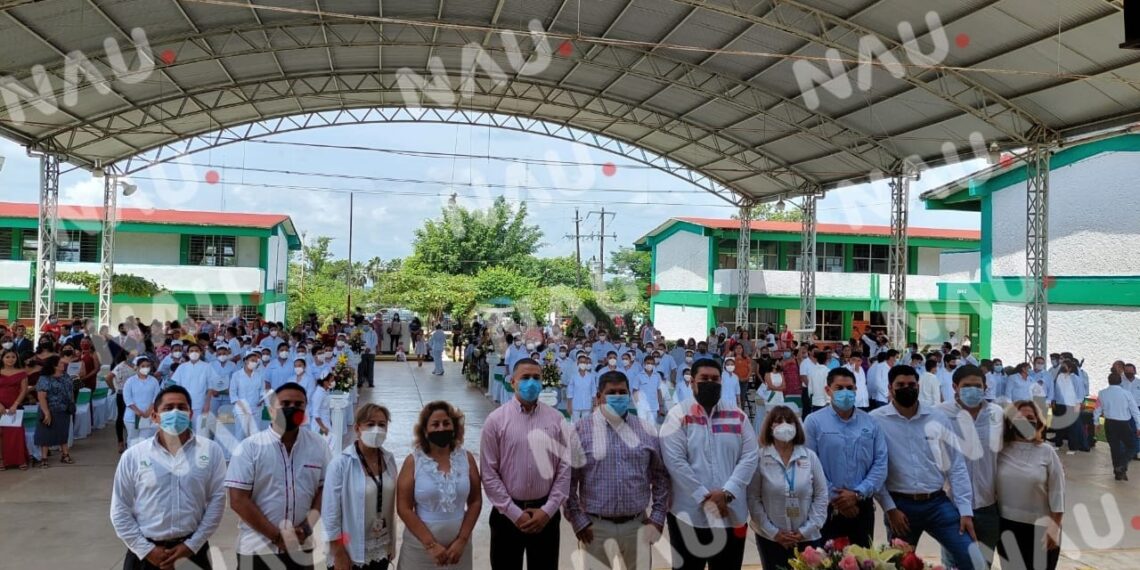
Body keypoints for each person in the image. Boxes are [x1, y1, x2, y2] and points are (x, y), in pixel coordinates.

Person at [871, 365, 981, 570]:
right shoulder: (876, 421)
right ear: (889, 388)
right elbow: (875, 470)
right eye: (900, 385)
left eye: (911, 384)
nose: (907, 388)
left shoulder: (937, 417)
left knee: (972, 558)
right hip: (900, 507)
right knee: (901, 565)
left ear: (918, 386)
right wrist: (889, 508)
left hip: (938, 504)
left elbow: (956, 465)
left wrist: (965, 511)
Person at [110, 386, 227, 570]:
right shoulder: (134, 455)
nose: (175, 412)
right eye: (168, 408)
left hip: (192, 552)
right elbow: (119, 508)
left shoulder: (211, 451)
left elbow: (217, 501)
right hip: (144, 554)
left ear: (190, 414)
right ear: (155, 416)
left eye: (182, 407)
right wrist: (147, 550)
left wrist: (192, 545)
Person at [661, 358, 759, 570]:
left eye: (715, 379)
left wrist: (727, 493)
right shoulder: (678, 415)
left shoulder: (737, 416)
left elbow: (750, 456)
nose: (710, 383)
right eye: (704, 379)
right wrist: (703, 497)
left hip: (731, 514)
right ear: (692, 383)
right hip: (688, 515)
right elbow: (675, 461)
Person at [566, 370, 669, 570]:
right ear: (598, 397)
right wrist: (578, 520)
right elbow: (568, 481)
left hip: (637, 525)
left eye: (623, 392)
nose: (618, 397)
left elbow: (661, 477)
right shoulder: (580, 430)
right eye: (612, 392)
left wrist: (657, 517)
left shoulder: (646, 430)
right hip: (595, 527)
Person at [226, 382, 331, 570]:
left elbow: (325, 489)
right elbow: (238, 500)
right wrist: (276, 536)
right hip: (257, 548)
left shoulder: (318, 445)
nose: (292, 408)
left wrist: (306, 528)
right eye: (285, 404)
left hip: (302, 545)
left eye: (298, 405)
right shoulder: (249, 448)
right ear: (271, 409)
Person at [480, 358, 571, 570]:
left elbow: (565, 469)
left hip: (545, 517)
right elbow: (489, 472)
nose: (531, 382)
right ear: (512, 382)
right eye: (525, 378)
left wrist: (548, 510)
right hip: (507, 516)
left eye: (536, 378)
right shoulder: (496, 421)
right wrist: (513, 512)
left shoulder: (557, 420)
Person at [802, 366, 887, 548]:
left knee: (863, 561)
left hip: (861, 505)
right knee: (824, 562)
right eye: (839, 388)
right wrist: (837, 497)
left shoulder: (871, 423)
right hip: (826, 506)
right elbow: (808, 464)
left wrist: (857, 494)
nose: (845, 392)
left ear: (856, 389)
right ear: (828, 390)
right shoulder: (813, 422)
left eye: (850, 388)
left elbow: (880, 463)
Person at [397, 401, 482, 570]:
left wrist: (462, 540)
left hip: (458, 548)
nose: (441, 428)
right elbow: (403, 508)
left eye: (446, 423)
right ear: (425, 431)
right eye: (435, 424)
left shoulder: (467, 459)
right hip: (420, 548)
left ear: (454, 427)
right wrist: (430, 545)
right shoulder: (414, 461)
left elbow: (475, 501)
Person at [937, 365, 1004, 568]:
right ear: (955, 387)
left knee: (983, 564)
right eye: (967, 386)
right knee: (954, 563)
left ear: (985, 387)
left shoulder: (997, 414)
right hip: (953, 505)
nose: (973, 390)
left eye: (978, 385)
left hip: (988, 506)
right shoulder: (940, 414)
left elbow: (1009, 450)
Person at [747, 405, 829, 570]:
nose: (784, 425)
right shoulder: (760, 458)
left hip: (807, 537)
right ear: (770, 427)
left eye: (789, 421)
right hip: (771, 538)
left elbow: (821, 495)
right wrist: (774, 532)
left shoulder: (809, 457)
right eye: (778, 421)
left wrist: (805, 531)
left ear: (796, 426)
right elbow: (753, 499)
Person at [324, 404, 398, 570]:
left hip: (380, 544)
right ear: (358, 428)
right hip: (350, 550)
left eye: (382, 424)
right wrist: (339, 552)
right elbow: (330, 514)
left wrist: (390, 544)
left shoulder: (389, 459)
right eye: (370, 424)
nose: (376, 429)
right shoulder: (341, 464)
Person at [996, 401, 1064, 570]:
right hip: (1007, 528)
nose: (1026, 422)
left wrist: (1054, 527)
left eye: (1030, 418)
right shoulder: (999, 451)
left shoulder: (1047, 452)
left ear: (1038, 422)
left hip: (1041, 528)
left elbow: (1058, 492)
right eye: (1020, 418)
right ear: (1010, 422)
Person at [1092, 373, 1140, 481]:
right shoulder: (1126, 394)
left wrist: (1096, 423)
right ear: (1120, 382)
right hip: (1123, 424)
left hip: (1109, 423)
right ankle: (1122, 465)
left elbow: (1097, 409)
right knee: (1132, 446)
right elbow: (1135, 411)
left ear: (1108, 381)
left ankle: (1118, 472)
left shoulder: (1102, 393)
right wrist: (1138, 426)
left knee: (1115, 448)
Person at [34, 355, 75, 466]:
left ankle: (65, 455)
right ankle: (44, 458)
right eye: (61, 363)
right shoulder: (44, 378)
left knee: (63, 432)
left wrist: (71, 403)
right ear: (54, 365)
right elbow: (41, 396)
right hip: (49, 409)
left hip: (63, 409)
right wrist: (46, 412)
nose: (63, 365)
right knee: (45, 434)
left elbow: (70, 390)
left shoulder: (65, 376)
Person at [170, 344, 214, 435]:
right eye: (191, 351)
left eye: (196, 351)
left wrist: (207, 404)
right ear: (187, 353)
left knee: (202, 431)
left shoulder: (207, 367)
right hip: (184, 405)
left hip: (201, 405)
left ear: (201, 352)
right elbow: (175, 386)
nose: (194, 353)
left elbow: (210, 387)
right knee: (184, 433)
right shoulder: (182, 367)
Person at [1047, 360, 1089, 453]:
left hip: (1071, 405)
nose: (1062, 367)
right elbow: (1055, 389)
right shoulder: (1059, 377)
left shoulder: (1076, 379)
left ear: (1070, 368)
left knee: (1072, 428)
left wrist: (1078, 404)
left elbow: (1080, 393)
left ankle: (1073, 447)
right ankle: (1058, 444)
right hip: (1060, 404)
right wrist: (1053, 400)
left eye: (1064, 366)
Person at [0, 349, 30, 470]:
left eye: (13, 357)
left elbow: (23, 390)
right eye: (7, 357)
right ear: (2, 358)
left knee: (16, 434)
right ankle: (2, 460)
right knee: (1, 434)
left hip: (14, 407)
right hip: (0, 407)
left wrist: (15, 404)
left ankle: (20, 460)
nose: (10, 359)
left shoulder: (22, 372)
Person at [123, 356, 162, 447]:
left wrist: (148, 411)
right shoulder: (130, 381)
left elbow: (156, 397)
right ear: (137, 367)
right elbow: (127, 399)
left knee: (146, 441)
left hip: (149, 416)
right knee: (133, 440)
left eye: (148, 366)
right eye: (143, 366)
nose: (145, 368)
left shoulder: (154, 381)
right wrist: (138, 411)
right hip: (132, 417)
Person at [231, 351, 269, 442]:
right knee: (240, 434)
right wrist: (239, 403)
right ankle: (239, 454)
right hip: (241, 409)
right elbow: (232, 392)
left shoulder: (259, 376)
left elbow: (262, 390)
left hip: (256, 408)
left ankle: (254, 455)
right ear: (246, 361)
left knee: (255, 435)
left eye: (256, 361)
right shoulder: (236, 375)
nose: (254, 363)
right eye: (252, 360)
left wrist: (261, 399)